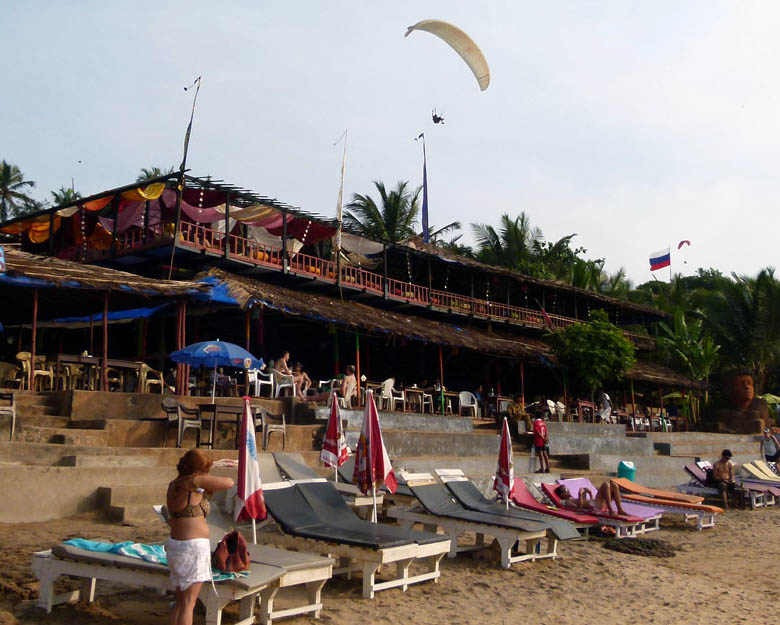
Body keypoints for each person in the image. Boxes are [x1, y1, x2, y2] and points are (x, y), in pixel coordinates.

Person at [166, 449, 234, 625]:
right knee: (188, 605)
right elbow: (229, 482)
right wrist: (215, 469)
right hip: (191, 548)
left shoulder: (175, 484)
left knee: (180, 604)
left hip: (177, 546)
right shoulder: (194, 481)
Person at [555, 481, 628, 516]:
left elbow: (591, 501)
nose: (568, 491)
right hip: (595, 506)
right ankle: (611, 510)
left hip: (595, 504)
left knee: (614, 484)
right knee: (605, 484)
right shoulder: (566, 501)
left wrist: (589, 493)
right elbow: (579, 509)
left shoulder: (573, 498)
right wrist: (580, 495)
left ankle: (620, 510)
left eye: (568, 489)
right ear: (562, 495)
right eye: (566, 490)